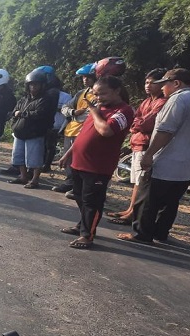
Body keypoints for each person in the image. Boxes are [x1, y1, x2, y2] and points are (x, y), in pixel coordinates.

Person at [117, 68, 190, 244]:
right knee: (170, 202)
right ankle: (161, 233)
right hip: (189, 162)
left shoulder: (178, 99)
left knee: (148, 199)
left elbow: (165, 131)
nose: (162, 89)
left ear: (176, 83)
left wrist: (149, 154)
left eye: (164, 85)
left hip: (167, 160)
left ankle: (142, 234)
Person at [58, 76, 135, 249]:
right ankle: (81, 225)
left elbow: (106, 131)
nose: (98, 97)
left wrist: (93, 111)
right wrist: (68, 154)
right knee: (79, 196)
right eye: (95, 93)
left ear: (117, 91)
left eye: (102, 93)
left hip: (98, 166)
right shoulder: (99, 108)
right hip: (78, 162)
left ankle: (87, 235)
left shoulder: (124, 111)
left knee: (92, 202)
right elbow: (83, 135)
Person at [106, 68, 168, 225]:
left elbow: (147, 123)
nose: (148, 85)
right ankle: (130, 209)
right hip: (137, 143)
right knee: (136, 181)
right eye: (146, 82)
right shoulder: (147, 101)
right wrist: (136, 125)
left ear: (161, 84)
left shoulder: (162, 102)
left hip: (147, 145)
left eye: (152, 82)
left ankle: (134, 213)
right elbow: (136, 119)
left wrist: (136, 125)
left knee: (141, 182)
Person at [8, 68, 58, 188]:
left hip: (35, 133)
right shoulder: (24, 99)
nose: (33, 87)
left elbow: (40, 113)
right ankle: (23, 176)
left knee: (34, 158)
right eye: (31, 85)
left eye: (36, 85)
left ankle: (35, 180)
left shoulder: (45, 99)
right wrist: (15, 121)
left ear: (42, 86)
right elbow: (14, 111)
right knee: (18, 156)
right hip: (20, 132)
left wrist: (22, 114)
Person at [52, 63, 97, 194]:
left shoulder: (98, 95)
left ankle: (79, 187)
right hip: (70, 130)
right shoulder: (81, 93)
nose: (85, 80)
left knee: (81, 160)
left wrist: (78, 113)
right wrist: (73, 112)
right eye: (83, 77)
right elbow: (65, 108)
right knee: (69, 160)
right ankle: (70, 182)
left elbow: (90, 115)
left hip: (84, 132)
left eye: (88, 77)